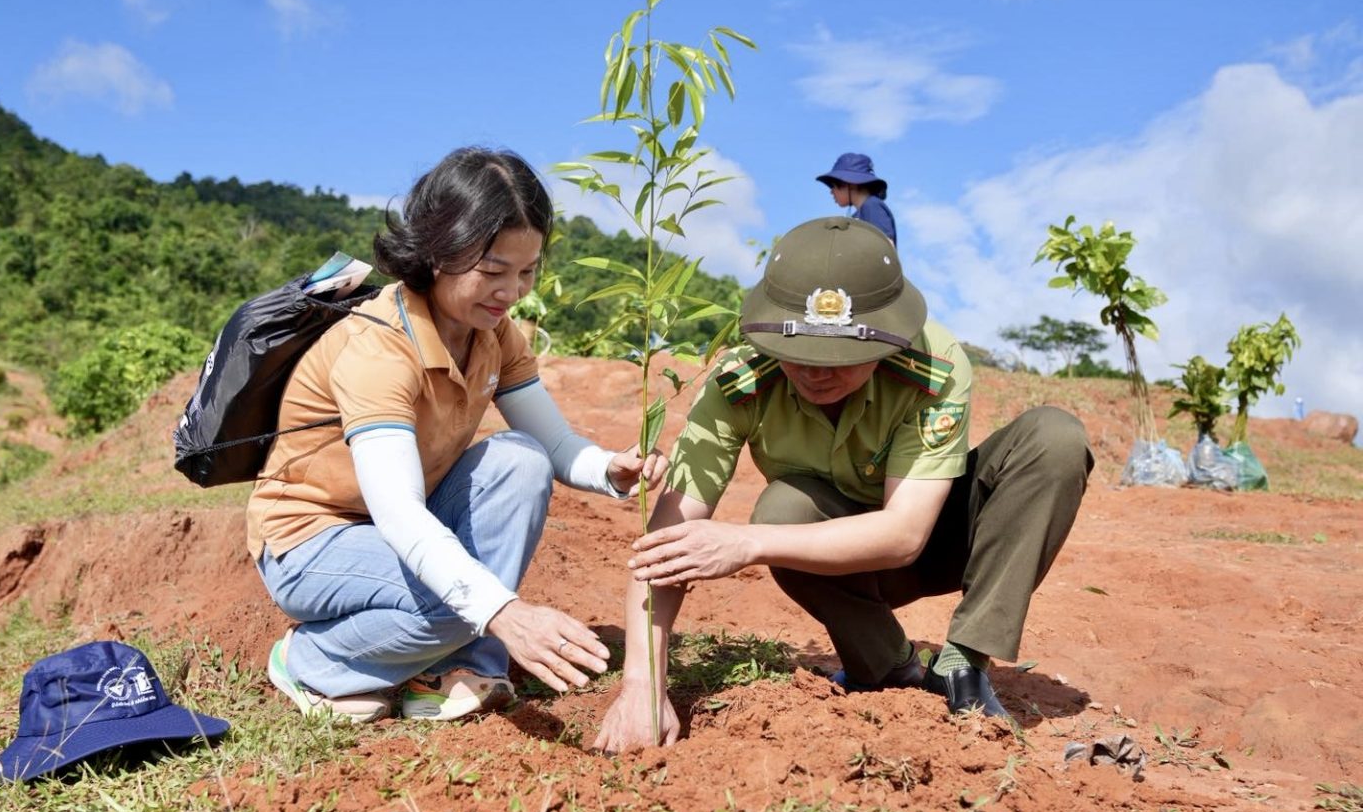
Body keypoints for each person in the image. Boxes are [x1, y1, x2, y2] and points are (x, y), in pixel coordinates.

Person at [594, 216, 1094, 753]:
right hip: (832, 563)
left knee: (1054, 437)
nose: (817, 373)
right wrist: (642, 687)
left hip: (934, 540)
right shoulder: (739, 383)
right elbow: (664, 543)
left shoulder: (935, 363)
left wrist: (747, 543)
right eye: (800, 356)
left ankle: (963, 664)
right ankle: (885, 665)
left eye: (841, 359)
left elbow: (906, 534)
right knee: (782, 509)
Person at [248, 147, 667, 724]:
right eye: (492, 272)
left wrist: (608, 468)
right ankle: (312, 659)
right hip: (311, 540)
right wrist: (504, 612)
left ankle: (451, 667)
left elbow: (553, 446)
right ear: (437, 253)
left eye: (527, 271)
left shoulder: (494, 334)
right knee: (464, 596)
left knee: (521, 459)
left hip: (392, 529)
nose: (512, 291)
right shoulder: (379, 347)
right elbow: (398, 513)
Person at [815, 152, 897, 245]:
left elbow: (886, 244)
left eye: (833, 186)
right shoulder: (859, 214)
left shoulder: (872, 206)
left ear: (850, 184)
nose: (831, 192)